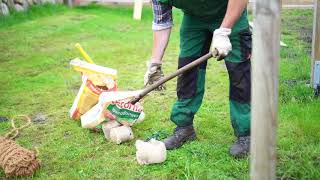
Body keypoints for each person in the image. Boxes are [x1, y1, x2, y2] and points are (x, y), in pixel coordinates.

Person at [144, 0, 252, 158]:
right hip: (194, 20)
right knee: (188, 72)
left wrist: (224, 31)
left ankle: (247, 133)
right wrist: (155, 62)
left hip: (230, 13)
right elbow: (162, 22)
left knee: (239, 74)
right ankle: (184, 128)